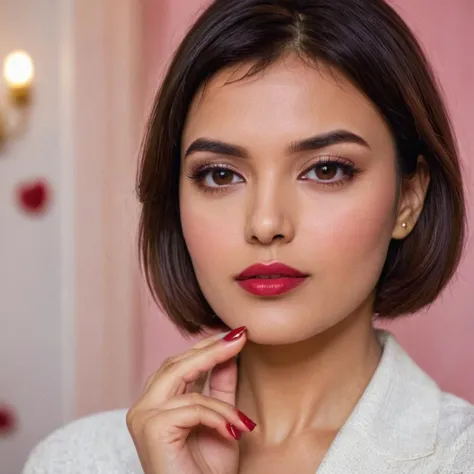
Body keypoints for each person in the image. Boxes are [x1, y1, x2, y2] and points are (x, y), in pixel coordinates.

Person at [23, 0, 473, 472]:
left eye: (325, 169)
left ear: (409, 197)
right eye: (220, 175)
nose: (265, 223)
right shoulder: (76, 460)